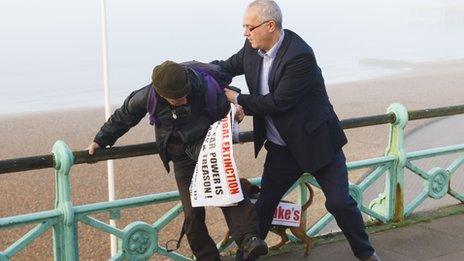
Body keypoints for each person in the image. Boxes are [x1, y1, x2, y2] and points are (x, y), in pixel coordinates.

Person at [214, 1, 380, 260]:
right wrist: (193, 72)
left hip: (318, 142)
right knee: (264, 205)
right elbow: (225, 67)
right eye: (244, 27)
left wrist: (237, 98)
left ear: (270, 26)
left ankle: (366, 254)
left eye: (249, 27)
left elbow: (278, 103)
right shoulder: (251, 48)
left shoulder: (299, 55)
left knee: (340, 203)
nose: (245, 33)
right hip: (282, 150)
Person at [87, 60, 268, 261]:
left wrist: (237, 115)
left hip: (206, 147)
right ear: (161, 94)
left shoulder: (204, 88)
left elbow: (227, 113)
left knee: (227, 192)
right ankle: (207, 257)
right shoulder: (148, 96)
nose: (182, 101)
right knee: (192, 215)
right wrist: (100, 140)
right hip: (180, 157)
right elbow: (124, 116)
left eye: (184, 96)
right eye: (176, 99)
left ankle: (250, 240)